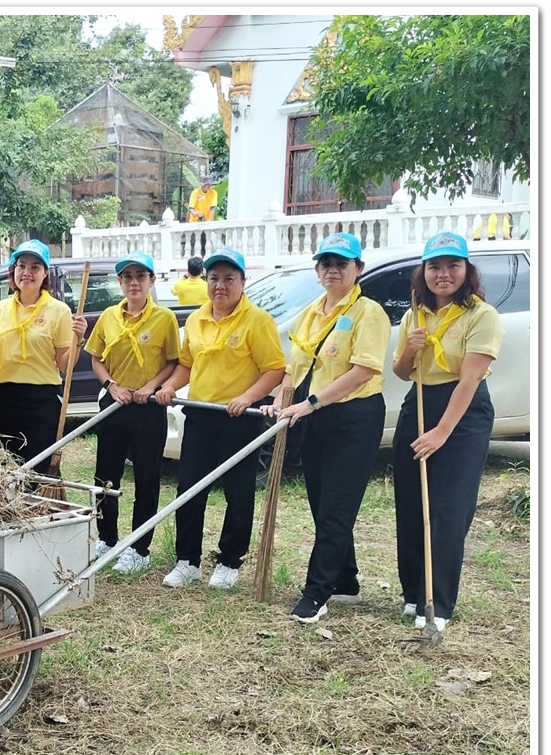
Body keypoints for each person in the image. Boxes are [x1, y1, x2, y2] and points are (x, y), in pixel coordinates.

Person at [263, 233, 390, 624]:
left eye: (342, 263)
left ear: (358, 269)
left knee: (337, 505)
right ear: (318, 270)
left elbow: (364, 370)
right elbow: (293, 366)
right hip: (314, 415)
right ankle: (346, 581)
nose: (333, 270)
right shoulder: (312, 311)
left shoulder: (369, 312)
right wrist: (282, 400)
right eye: (326, 263)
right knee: (322, 502)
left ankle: (316, 592)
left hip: (354, 417)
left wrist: (310, 403)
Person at [390, 232, 502, 632]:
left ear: (466, 271)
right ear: (423, 271)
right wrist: (410, 350)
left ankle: (438, 603)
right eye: (435, 266)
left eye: (453, 266)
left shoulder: (481, 315)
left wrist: (441, 432)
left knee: (448, 508)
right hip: (419, 402)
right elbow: (401, 372)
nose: (443, 274)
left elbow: (469, 382)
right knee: (411, 499)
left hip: (463, 413)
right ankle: (413, 593)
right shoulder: (414, 316)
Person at [154, 246, 285, 589]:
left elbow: (274, 370)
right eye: (214, 278)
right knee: (189, 487)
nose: (220, 285)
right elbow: (186, 364)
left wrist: (247, 397)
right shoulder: (196, 319)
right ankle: (187, 560)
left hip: (239, 418)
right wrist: (169, 387)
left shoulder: (257, 320)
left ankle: (229, 560)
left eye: (229, 278)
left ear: (243, 281)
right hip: (200, 414)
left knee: (238, 491)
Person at [86, 251, 180, 574]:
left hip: (147, 408)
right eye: (127, 277)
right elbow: (96, 358)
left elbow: (173, 361)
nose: (134, 283)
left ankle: (140, 547)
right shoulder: (109, 317)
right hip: (114, 404)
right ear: (120, 282)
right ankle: (106, 538)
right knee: (105, 476)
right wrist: (112, 386)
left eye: (141, 276)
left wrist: (151, 387)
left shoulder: (164, 319)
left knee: (147, 477)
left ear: (152, 281)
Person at [0, 239, 86, 473]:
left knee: (37, 469)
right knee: (7, 469)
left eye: (35, 267)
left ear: (45, 274)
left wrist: (78, 340)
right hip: (4, 396)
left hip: (42, 399)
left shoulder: (58, 310)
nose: (27, 273)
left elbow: (65, 365)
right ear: (14, 272)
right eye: (22, 266)